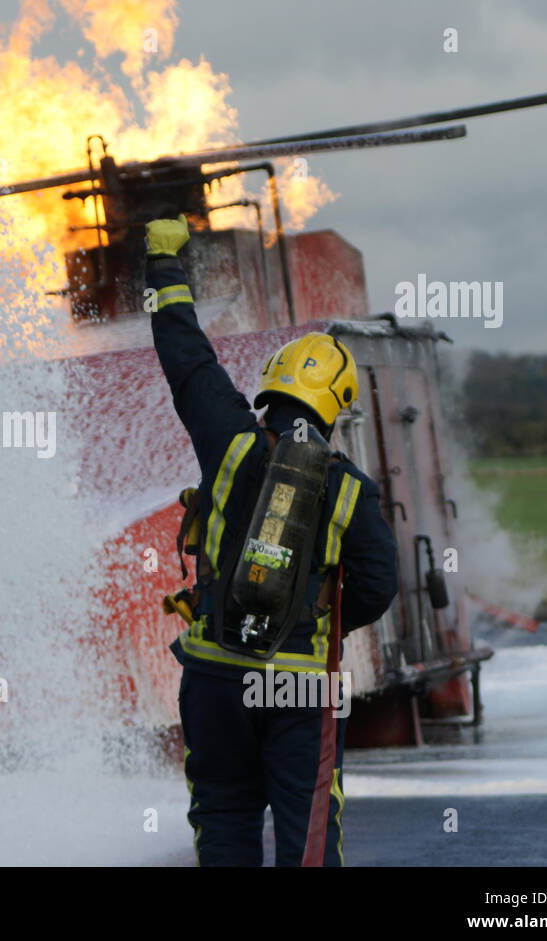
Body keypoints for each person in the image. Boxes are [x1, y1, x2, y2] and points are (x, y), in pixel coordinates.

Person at [144, 214, 399, 866]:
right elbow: (375, 587)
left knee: (225, 817)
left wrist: (165, 263)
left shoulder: (228, 436)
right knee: (309, 831)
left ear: (271, 384)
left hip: (216, 674)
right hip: (299, 684)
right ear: (335, 404)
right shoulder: (351, 489)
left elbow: (185, 354)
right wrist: (314, 618)